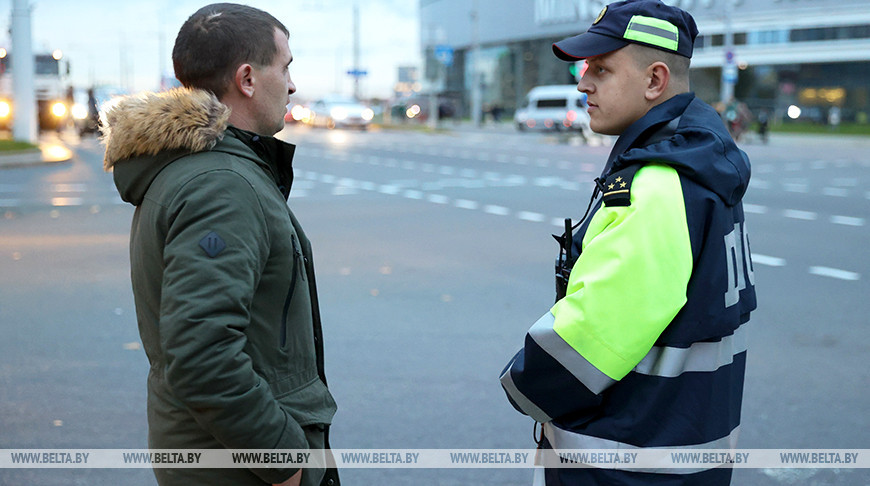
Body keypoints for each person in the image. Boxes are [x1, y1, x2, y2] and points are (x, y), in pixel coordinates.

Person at [500, 1, 756, 485]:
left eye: (601, 68)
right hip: (683, 451)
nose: (582, 83)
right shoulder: (703, 168)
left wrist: (519, 384)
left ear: (655, 80)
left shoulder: (658, 184)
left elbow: (585, 345)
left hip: (622, 466)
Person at [101, 4, 338, 486]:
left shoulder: (197, 168)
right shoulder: (221, 184)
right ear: (247, 79)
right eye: (285, 66)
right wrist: (283, 462)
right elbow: (202, 352)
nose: (292, 84)